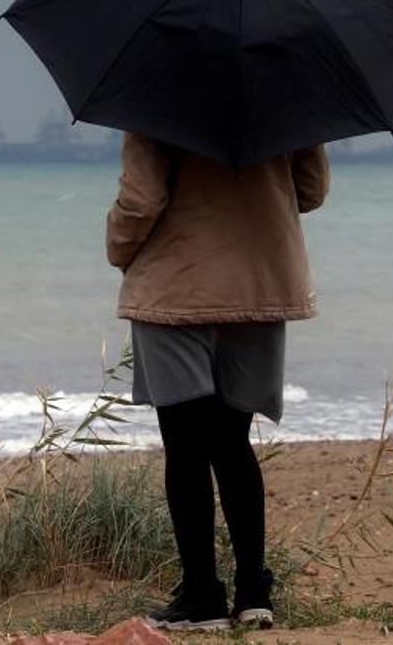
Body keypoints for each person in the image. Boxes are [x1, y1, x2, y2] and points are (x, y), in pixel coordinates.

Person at [105, 131, 329, 631]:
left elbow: (141, 200)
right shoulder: (284, 91)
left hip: (175, 288)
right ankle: (253, 593)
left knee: (185, 446)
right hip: (260, 285)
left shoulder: (155, 94)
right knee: (232, 441)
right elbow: (310, 191)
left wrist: (117, 247)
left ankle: (202, 598)